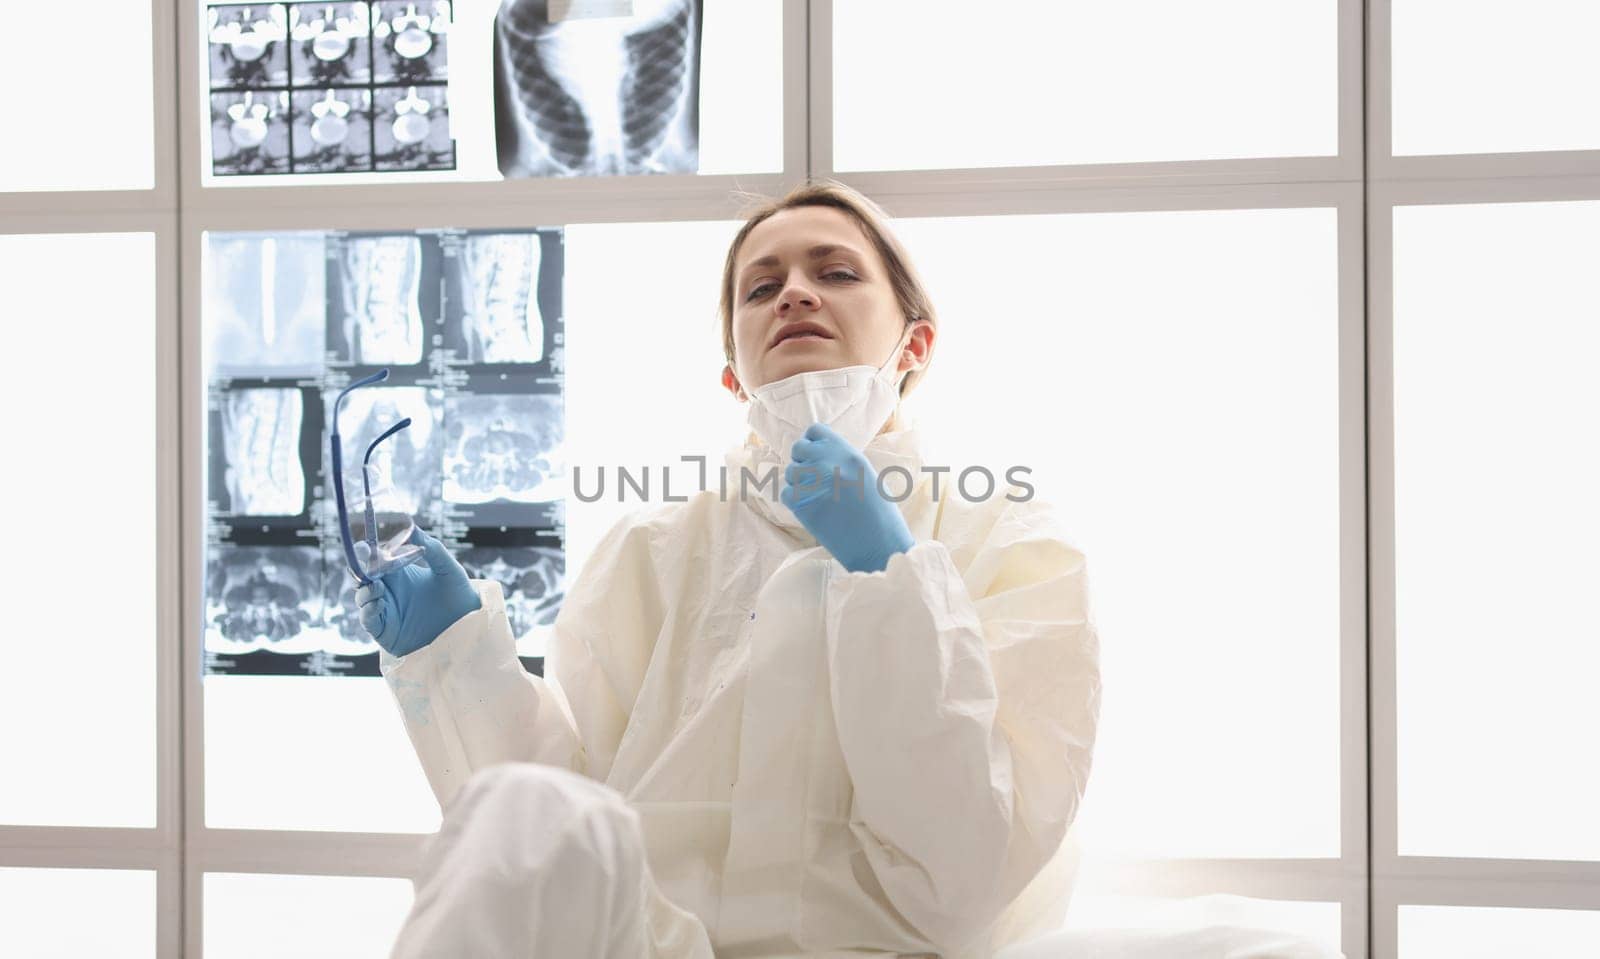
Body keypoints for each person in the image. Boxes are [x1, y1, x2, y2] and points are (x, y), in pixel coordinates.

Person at [361, 178, 1103, 958]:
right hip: (653, 946)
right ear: (732, 374)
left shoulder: (1013, 545)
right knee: (521, 807)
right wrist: (456, 661)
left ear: (915, 344)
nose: (795, 295)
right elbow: (562, 826)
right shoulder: (653, 551)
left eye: (837, 272)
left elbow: (968, 875)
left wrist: (891, 579)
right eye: (762, 287)